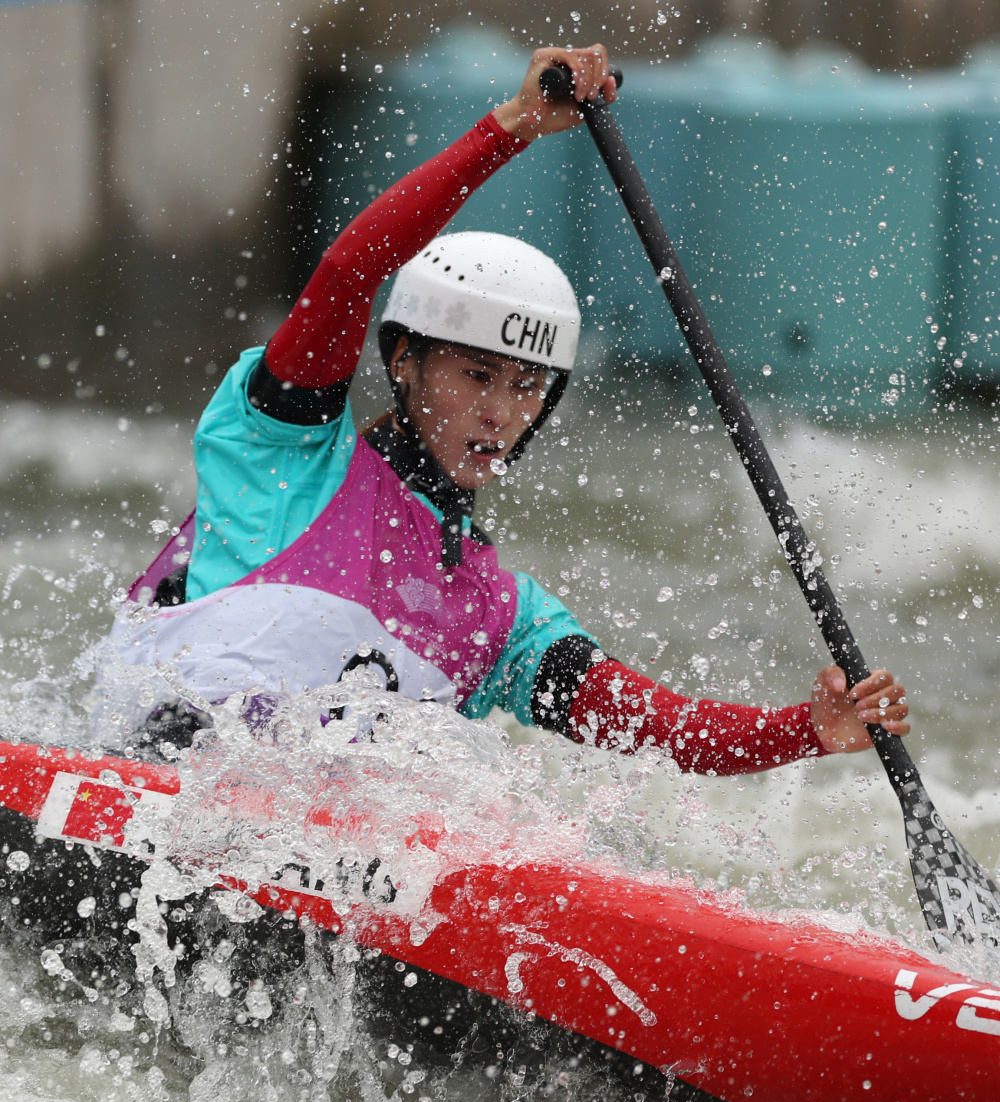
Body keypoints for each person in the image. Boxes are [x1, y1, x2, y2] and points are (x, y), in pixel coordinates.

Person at [94, 43, 909, 772]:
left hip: (311, 859)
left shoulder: (500, 614)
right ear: (404, 361)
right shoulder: (286, 452)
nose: (501, 412)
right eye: (476, 376)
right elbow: (348, 271)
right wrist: (510, 128)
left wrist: (802, 728)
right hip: (155, 785)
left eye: (526, 388)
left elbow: (650, 725)